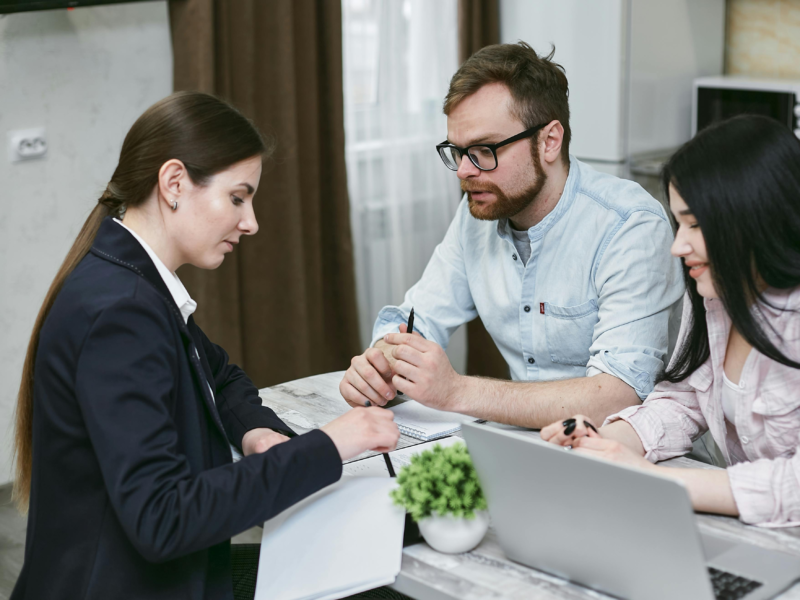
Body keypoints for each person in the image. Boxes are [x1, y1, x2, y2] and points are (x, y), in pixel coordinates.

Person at [10, 92, 399, 600]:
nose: (251, 221)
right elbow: (164, 519)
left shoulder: (132, 281)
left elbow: (218, 373)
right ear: (174, 184)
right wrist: (329, 444)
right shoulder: (122, 313)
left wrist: (256, 431)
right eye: (238, 197)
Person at [340, 42, 684, 427]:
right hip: (529, 449)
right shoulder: (478, 215)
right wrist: (382, 360)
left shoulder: (629, 225)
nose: (464, 172)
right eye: (457, 151)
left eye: (484, 150)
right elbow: (418, 319)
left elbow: (619, 394)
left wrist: (456, 392)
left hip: (635, 456)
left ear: (549, 141)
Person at [542, 115, 800, 527]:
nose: (678, 246)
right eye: (679, 224)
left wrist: (657, 480)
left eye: (695, 225)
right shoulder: (717, 298)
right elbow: (683, 401)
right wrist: (607, 442)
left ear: (755, 217)